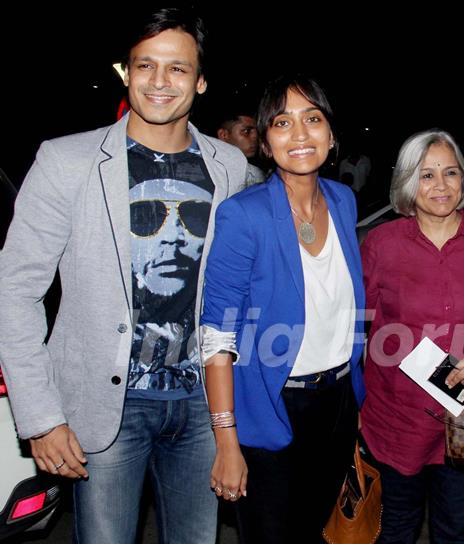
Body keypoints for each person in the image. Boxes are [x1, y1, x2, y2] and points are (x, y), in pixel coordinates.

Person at [0, 8, 248, 544]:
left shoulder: (229, 166)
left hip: (202, 406)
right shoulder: (66, 160)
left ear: (201, 81)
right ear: (126, 73)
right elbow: (16, 291)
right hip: (104, 407)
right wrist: (41, 417)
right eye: (145, 66)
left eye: (178, 69)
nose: (160, 82)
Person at [200, 75, 366, 544]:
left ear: (331, 136)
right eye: (282, 122)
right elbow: (217, 334)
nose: (299, 134)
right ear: (266, 142)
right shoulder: (243, 214)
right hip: (270, 407)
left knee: (312, 530)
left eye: (312, 119)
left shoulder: (343, 201)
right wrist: (226, 440)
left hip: (336, 403)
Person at [361, 129, 464, 543]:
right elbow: (362, 326)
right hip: (397, 418)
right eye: (427, 174)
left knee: (457, 530)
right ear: (408, 183)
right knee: (395, 527)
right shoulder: (381, 243)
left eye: (450, 172)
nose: (440, 185)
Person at [217, 105, 266, 185]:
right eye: (246, 131)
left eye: (257, 132)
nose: (255, 138)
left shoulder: (257, 175)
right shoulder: (209, 167)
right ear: (223, 135)